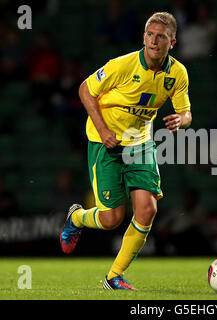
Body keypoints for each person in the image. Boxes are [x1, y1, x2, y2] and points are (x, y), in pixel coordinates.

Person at [60, 12, 192, 290]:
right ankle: (76, 217)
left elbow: (186, 112)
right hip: (104, 142)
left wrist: (182, 119)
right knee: (111, 219)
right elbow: (85, 90)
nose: (154, 41)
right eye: (150, 34)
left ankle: (113, 276)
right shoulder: (122, 65)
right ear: (143, 36)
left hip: (140, 143)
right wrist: (104, 130)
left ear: (173, 42)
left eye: (161, 36)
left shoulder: (177, 73)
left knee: (147, 209)